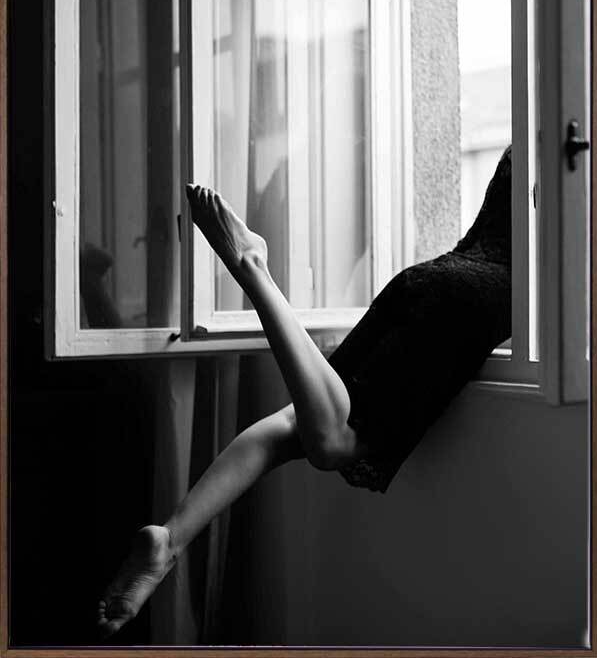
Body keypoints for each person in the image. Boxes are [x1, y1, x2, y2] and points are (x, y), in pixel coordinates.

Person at [97, 144, 512, 638]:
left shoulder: (538, 136)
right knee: (335, 440)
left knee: (294, 423)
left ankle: (169, 540)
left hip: (432, 277)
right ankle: (254, 269)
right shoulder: (573, 134)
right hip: (484, 295)